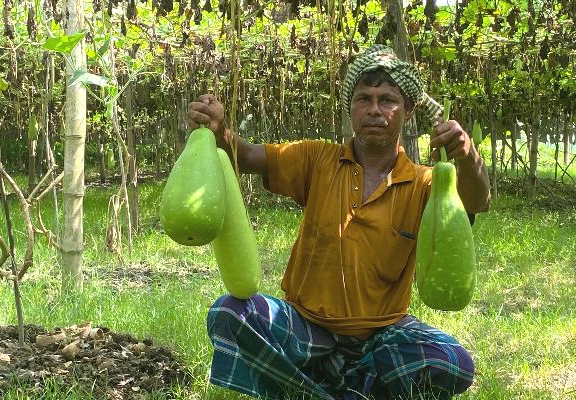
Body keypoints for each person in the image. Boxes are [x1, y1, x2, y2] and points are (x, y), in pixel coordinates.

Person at [186, 44, 491, 400]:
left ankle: (322, 389)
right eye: (364, 98)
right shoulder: (318, 159)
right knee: (231, 313)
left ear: (408, 111)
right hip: (306, 328)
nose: (374, 109)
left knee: (454, 362)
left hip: (382, 335)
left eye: (387, 100)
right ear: (350, 108)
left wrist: (467, 156)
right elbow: (249, 156)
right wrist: (219, 129)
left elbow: (475, 202)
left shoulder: (426, 183)